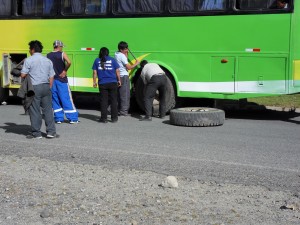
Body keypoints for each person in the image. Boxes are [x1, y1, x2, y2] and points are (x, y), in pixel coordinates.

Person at [20, 40, 58, 139]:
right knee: (48, 110)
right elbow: (51, 76)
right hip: (46, 87)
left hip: (35, 87)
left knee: (35, 110)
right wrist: (49, 86)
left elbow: (23, 74)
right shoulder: (48, 60)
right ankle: (51, 132)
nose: (29, 50)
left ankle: (36, 133)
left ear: (32, 50)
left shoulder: (29, 60)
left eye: (29, 49)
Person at [47, 40, 79, 124]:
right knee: (66, 98)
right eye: (61, 47)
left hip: (52, 80)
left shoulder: (48, 55)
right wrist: (64, 70)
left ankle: (58, 118)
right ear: (59, 46)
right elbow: (69, 62)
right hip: (62, 80)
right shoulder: (62, 54)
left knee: (55, 99)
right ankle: (73, 118)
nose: (62, 48)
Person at [92, 47, 121, 123]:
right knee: (114, 100)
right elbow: (117, 71)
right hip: (113, 83)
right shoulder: (112, 60)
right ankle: (114, 118)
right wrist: (119, 80)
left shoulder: (97, 60)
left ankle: (103, 119)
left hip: (102, 83)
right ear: (107, 52)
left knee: (104, 101)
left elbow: (95, 73)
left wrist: (94, 82)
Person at [114, 41, 139, 116]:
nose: (127, 50)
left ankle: (120, 109)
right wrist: (136, 63)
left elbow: (124, 60)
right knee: (125, 94)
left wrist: (126, 54)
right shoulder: (121, 56)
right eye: (125, 49)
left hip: (119, 76)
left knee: (120, 94)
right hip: (124, 76)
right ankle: (123, 111)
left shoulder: (117, 54)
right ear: (121, 50)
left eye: (127, 48)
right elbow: (129, 67)